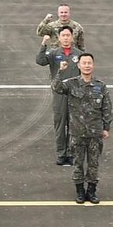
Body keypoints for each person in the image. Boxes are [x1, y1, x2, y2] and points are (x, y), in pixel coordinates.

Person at [52, 54, 112, 204]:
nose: (87, 66)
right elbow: (56, 87)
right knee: (78, 163)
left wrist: (106, 127)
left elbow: (106, 107)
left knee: (93, 164)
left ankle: (91, 191)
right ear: (78, 65)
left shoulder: (100, 86)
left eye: (89, 63)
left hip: (95, 132)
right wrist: (61, 71)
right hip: (77, 132)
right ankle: (79, 191)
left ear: (93, 65)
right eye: (84, 63)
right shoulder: (71, 84)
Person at [36, 27, 84, 166]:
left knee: (74, 125)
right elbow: (40, 61)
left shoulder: (79, 54)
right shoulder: (53, 53)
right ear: (59, 37)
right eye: (63, 35)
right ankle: (61, 154)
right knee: (60, 124)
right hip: (59, 95)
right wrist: (43, 45)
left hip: (75, 95)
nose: (66, 38)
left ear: (72, 37)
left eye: (68, 35)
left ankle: (72, 153)